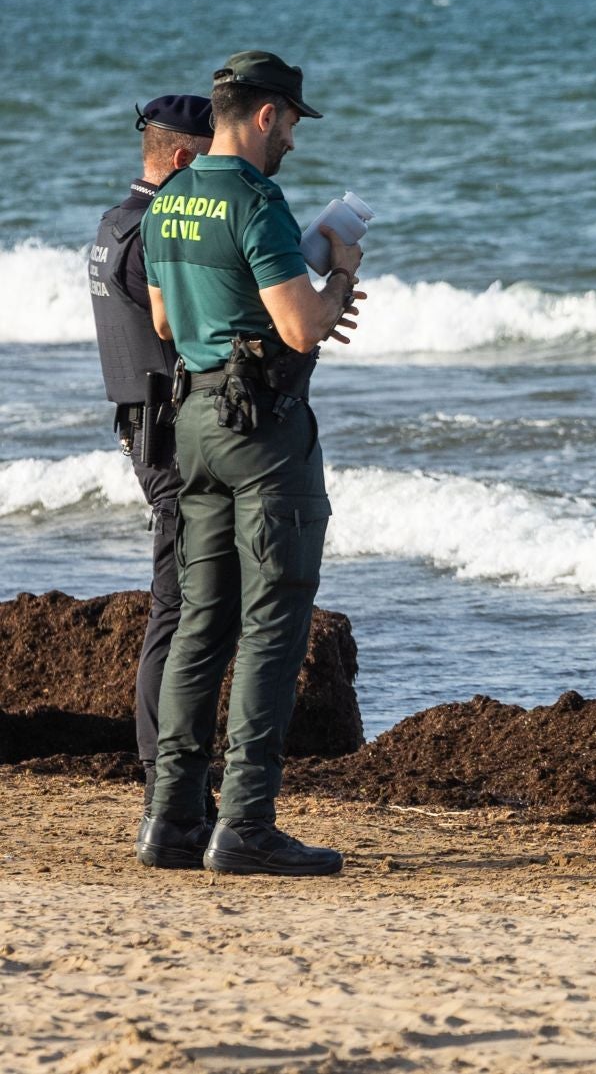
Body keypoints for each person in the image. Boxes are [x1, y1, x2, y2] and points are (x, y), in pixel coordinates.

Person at [137, 50, 365, 876]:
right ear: (267, 114)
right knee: (275, 621)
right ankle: (247, 823)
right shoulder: (257, 200)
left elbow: (163, 322)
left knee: (202, 620)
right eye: (294, 123)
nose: (295, 143)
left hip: (192, 419)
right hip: (263, 432)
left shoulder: (171, 199)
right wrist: (338, 276)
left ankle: (170, 819)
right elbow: (301, 329)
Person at [87, 95, 214, 842]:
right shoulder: (150, 234)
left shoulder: (111, 224)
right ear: (181, 159)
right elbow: (185, 327)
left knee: (177, 599)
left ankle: (170, 781)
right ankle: (163, 783)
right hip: (164, 429)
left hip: (138, 418)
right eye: (208, 158)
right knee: (175, 603)